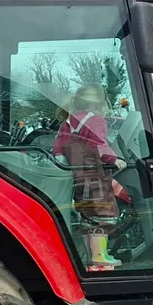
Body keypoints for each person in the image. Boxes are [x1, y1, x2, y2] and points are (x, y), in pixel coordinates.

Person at [52, 84, 127, 271]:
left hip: (78, 178)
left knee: (87, 216)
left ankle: (91, 257)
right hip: (95, 177)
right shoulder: (96, 121)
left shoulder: (68, 122)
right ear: (98, 104)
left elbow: (57, 151)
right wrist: (114, 159)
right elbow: (100, 146)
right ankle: (99, 256)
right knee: (103, 214)